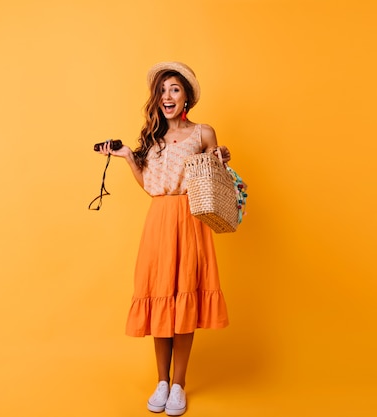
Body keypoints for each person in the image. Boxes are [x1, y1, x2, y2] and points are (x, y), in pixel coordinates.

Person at [97, 61, 230, 416]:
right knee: (160, 298)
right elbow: (151, 188)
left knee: (184, 297)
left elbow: (219, 178)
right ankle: (161, 380)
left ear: (186, 95)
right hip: (158, 221)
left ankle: (179, 384)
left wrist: (221, 158)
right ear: (156, 99)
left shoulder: (203, 133)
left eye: (174, 89)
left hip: (191, 221)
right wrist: (127, 156)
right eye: (162, 90)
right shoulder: (151, 139)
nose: (167, 96)